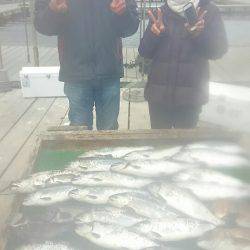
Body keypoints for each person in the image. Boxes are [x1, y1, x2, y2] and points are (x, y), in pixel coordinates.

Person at [34, 0, 139, 130]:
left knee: (109, 131)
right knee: (79, 132)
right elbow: (42, 25)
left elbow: (131, 28)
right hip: (75, 72)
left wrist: (122, 14)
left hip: (109, 72)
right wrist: (53, 11)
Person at [139, 0, 228, 129]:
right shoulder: (160, 12)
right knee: (159, 145)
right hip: (158, 97)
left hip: (190, 99)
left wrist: (199, 35)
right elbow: (144, 51)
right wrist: (154, 35)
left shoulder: (209, 11)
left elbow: (218, 51)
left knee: (184, 146)